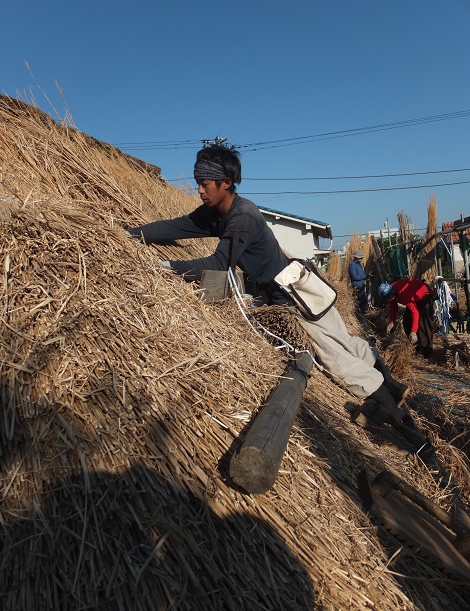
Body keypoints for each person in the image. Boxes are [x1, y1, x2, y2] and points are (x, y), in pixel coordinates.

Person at [129, 144, 422, 439]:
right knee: (345, 341)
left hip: (293, 297)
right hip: (301, 287)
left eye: (204, 185)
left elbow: (218, 263)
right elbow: (177, 227)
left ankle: (392, 414)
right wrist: (132, 235)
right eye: (199, 184)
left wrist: (168, 268)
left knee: (336, 358)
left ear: (225, 183)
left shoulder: (243, 216)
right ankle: (393, 387)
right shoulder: (215, 213)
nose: (200, 191)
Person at [378, 278, 435, 358]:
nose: (389, 299)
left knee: (422, 323)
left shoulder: (404, 293)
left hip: (424, 295)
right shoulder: (390, 293)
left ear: (392, 292)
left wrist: (414, 331)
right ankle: (416, 345)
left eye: (390, 297)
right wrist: (392, 322)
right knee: (407, 322)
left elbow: (415, 312)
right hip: (413, 297)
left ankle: (426, 351)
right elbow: (393, 307)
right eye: (387, 299)